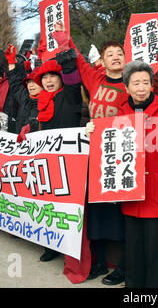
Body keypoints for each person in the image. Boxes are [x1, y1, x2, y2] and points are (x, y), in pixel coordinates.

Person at [86, 61, 158, 288]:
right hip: (131, 190)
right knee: (133, 247)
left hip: (157, 190)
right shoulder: (120, 113)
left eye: (146, 82)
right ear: (126, 87)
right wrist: (93, 132)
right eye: (135, 83)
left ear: (152, 86)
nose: (141, 88)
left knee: (155, 250)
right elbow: (109, 150)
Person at [52, 22, 127, 285]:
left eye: (120, 53)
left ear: (126, 59)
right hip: (96, 156)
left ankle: (123, 265)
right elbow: (79, 61)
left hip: (125, 158)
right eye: (110, 54)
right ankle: (96, 262)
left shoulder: (135, 83)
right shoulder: (95, 79)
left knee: (123, 212)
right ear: (103, 62)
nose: (116, 57)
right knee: (96, 210)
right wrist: (64, 38)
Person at [33, 48, 83, 261]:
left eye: (53, 75)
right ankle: (51, 245)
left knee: (68, 206)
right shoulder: (41, 99)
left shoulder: (70, 96)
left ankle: (72, 246)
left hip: (70, 160)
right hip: (48, 160)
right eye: (44, 77)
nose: (48, 80)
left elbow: (73, 80)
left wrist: (67, 59)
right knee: (48, 204)